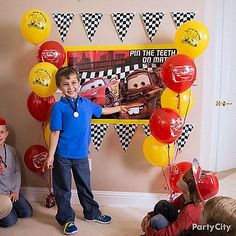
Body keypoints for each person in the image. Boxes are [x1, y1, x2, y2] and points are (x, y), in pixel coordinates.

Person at [43, 66, 128, 235]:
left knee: (85, 187)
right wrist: (51, 156)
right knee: (63, 189)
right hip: (62, 156)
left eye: (73, 82)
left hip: (81, 155)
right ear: (59, 87)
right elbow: (55, 132)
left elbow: (102, 111)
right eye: (65, 84)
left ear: (79, 83)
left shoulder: (86, 104)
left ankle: (91, 213)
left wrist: (119, 108)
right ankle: (66, 219)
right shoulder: (58, 108)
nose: (70, 87)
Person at [141, 158, 219, 236]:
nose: (181, 175)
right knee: (163, 204)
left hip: (183, 233)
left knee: (157, 221)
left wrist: (149, 230)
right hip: (182, 224)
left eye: (184, 178)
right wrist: (149, 216)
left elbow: (170, 234)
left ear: (191, 189)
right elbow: (173, 205)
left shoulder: (188, 213)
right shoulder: (186, 197)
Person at [0, 116, 33, 228]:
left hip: (12, 191)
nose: (0, 135)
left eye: (2, 132)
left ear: (6, 134)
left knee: (27, 212)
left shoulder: (11, 151)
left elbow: (17, 172)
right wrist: (4, 197)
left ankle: (10, 207)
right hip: (1, 196)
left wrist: (16, 191)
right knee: (10, 222)